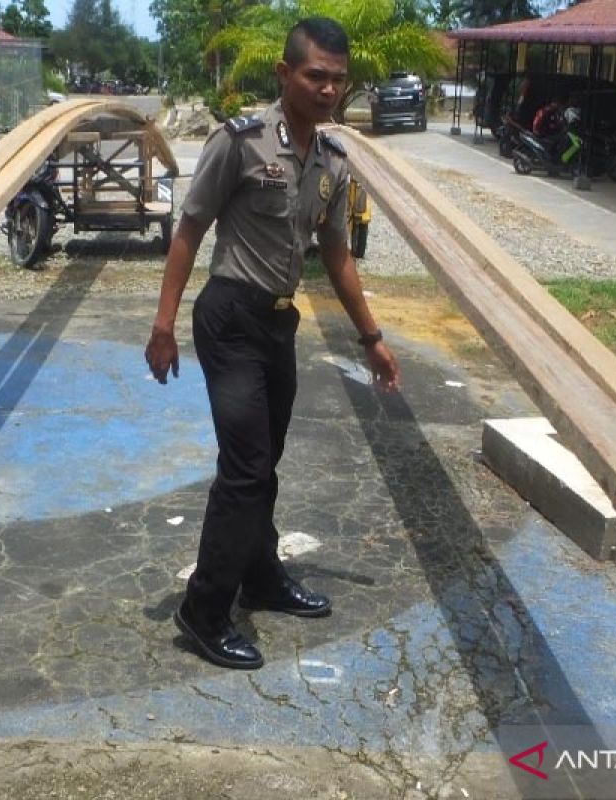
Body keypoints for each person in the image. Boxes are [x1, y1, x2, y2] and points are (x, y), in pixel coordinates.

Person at [144, 16, 401, 670]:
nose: (327, 89)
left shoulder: (332, 163)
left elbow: (338, 255)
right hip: (229, 316)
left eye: (338, 80)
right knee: (247, 467)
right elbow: (190, 228)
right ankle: (202, 611)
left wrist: (371, 337)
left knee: (263, 464)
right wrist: (163, 324)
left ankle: (259, 577)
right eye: (316, 75)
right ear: (286, 74)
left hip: (279, 325)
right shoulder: (241, 143)